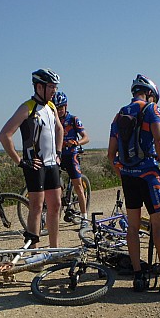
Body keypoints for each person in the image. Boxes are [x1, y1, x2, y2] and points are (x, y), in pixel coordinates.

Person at [107, 74, 160, 295]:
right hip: (150, 175)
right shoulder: (152, 110)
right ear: (150, 94)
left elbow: (111, 154)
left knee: (132, 227)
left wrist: (123, 173)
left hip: (129, 176)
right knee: (158, 225)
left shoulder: (119, 114)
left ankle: (139, 276)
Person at [0, 69, 64, 248]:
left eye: (55, 87)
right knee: (36, 207)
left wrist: (58, 153)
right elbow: (4, 135)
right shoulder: (27, 107)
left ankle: (54, 248)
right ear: (39, 87)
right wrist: (20, 161)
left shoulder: (51, 107)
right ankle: (33, 252)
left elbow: (59, 129)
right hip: (35, 165)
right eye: (51, 86)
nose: (54, 90)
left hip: (52, 164)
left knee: (56, 205)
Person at [53, 91, 91, 228]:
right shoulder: (52, 120)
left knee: (78, 186)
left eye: (61, 107)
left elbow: (86, 137)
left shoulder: (73, 119)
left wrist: (76, 143)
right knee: (55, 187)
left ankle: (84, 218)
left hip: (71, 155)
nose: (59, 110)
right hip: (57, 156)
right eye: (57, 108)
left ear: (66, 106)